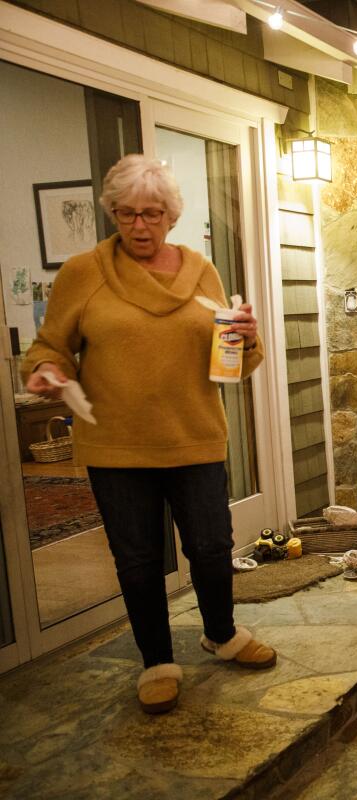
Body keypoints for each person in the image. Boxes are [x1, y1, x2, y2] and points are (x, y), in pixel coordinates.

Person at [22, 154, 276, 714]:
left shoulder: (201, 271)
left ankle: (221, 633)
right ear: (112, 212)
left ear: (171, 216)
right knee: (137, 560)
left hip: (195, 437)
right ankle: (157, 660)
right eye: (128, 213)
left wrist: (245, 339)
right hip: (117, 446)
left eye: (152, 214)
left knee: (211, 549)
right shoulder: (83, 273)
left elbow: (229, 366)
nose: (140, 226)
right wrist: (45, 371)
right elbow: (50, 347)